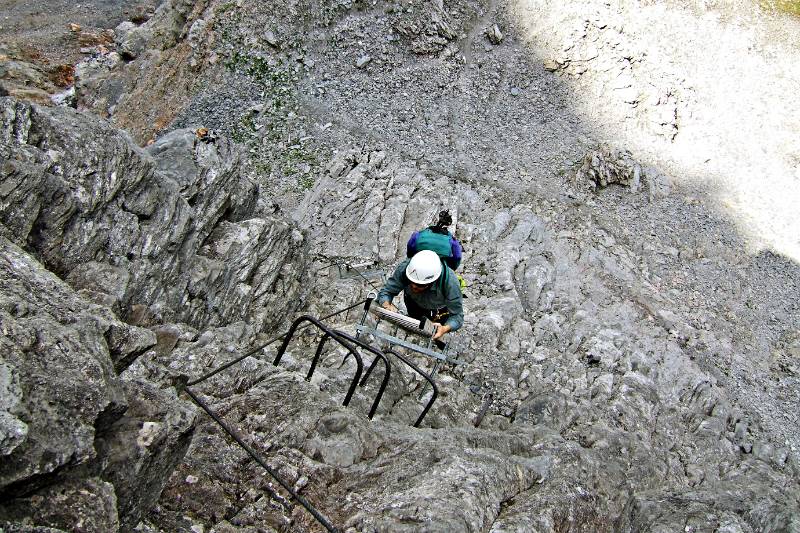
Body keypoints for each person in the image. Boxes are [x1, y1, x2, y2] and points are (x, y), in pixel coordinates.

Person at [376, 250, 463, 342]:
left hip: (439, 310)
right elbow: (387, 291)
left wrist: (445, 328)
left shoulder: (450, 284)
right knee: (414, 323)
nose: (414, 286)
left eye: (419, 285)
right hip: (412, 302)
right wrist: (386, 304)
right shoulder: (405, 268)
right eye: (411, 281)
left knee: (435, 332)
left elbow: (457, 316)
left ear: (431, 281)